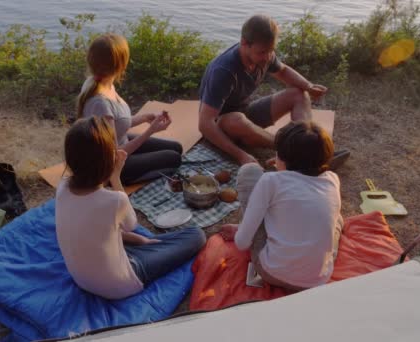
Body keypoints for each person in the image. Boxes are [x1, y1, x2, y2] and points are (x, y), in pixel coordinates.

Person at [55, 117, 206, 300]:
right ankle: (137, 259)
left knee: (141, 240)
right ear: (107, 161)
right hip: (119, 284)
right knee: (196, 235)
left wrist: (138, 240)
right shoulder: (115, 200)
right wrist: (116, 176)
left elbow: (96, 225)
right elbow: (131, 224)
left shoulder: (62, 187)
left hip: (81, 279)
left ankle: (137, 249)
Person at [198, 14, 349, 167]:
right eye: (262, 52)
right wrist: (240, 155)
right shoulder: (224, 70)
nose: (267, 57)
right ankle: (297, 152)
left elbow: (282, 71)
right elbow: (205, 124)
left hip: (245, 114)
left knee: (299, 94)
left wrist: (308, 86)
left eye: (271, 50)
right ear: (244, 43)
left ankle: (304, 145)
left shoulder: (264, 53)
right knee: (235, 119)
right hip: (223, 126)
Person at [219, 120, 343, 291]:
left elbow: (241, 244)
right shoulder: (332, 179)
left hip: (274, 273)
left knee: (249, 171)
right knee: (336, 220)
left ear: (282, 159)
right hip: (318, 278)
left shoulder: (270, 181)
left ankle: (247, 227)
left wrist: (242, 232)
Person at [77, 33, 182, 185]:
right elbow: (113, 156)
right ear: (121, 64)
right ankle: (124, 181)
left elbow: (119, 124)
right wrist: (150, 131)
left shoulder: (99, 82)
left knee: (176, 148)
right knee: (174, 158)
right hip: (112, 166)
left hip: (121, 143)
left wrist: (146, 117)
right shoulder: (100, 104)